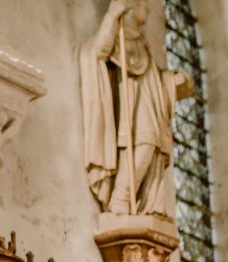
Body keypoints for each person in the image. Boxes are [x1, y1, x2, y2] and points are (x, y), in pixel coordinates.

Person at [80, 0, 191, 217]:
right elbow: (100, 51)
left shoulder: (142, 42)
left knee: (153, 148)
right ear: (129, 6)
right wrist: (112, 16)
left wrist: (172, 81)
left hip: (150, 106)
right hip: (133, 111)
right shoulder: (119, 34)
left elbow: (153, 77)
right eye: (142, 3)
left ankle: (147, 205)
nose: (148, 8)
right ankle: (120, 199)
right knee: (145, 144)